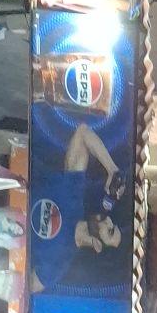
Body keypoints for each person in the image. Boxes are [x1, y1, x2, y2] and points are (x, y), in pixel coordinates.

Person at [29, 125, 127, 294]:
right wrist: (112, 170)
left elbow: (25, 288)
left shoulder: (58, 264)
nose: (108, 221)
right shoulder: (73, 196)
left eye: (110, 231)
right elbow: (82, 132)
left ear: (97, 245)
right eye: (113, 223)